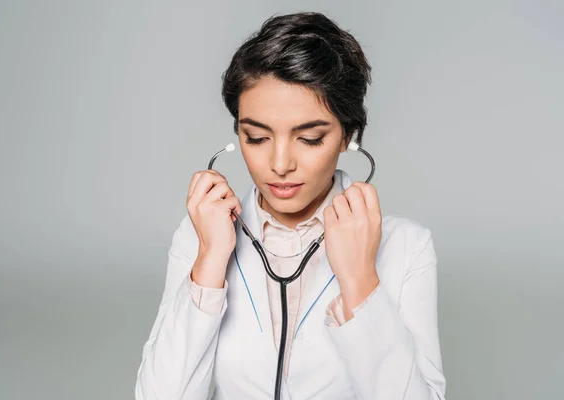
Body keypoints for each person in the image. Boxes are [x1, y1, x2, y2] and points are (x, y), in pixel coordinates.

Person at [135, 11, 446, 400]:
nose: (280, 164)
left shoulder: (406, 248)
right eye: (257, 137)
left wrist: (361, 282)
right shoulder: (201, 236)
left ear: (348, 135)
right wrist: (211, 260)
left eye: (310, 138)